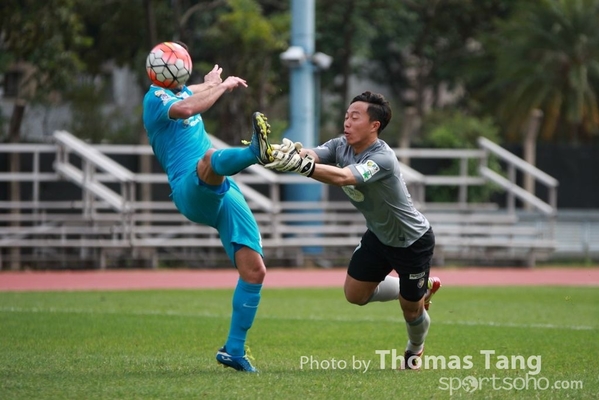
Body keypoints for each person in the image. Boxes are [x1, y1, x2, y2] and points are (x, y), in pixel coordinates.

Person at [265, 91, 441, 370]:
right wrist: (288, 153)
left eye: (355, 117)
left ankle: (414, 350)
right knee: (355, 295)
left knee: (411, 310)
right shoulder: (340, 145)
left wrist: (303, 167)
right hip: (378, 236)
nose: (347, 122)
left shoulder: (382, 158)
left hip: (412, 241)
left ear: (374, 126)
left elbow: (345, 177)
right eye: (347, 116)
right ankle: (421, 288)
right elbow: (313, 154)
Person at [142, 41, 275, 373]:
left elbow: (193, 92)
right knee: (209, 158)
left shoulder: (179, 91)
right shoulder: (155, 99)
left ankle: (234, 350)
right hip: (189, 188)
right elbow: (188, 107)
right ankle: (254, 153)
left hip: (223, 191)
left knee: (255, 271)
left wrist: (216, 83)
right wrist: (221, 88)